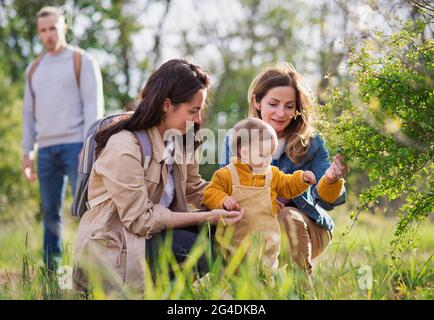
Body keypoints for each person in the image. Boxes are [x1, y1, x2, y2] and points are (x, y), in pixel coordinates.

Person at [73, 59, 244, 292]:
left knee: (224, 234)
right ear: (166, 105)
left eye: (200, 111)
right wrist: (206, 217)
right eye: (193, 111)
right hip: (121, 243)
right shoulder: (124, 145)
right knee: (199, 249)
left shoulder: (182, 138)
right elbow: (140, 220)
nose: (198, 120)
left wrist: (233, 199)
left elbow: (194, 187)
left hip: (156, 234)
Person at [221, 63, 348, 275]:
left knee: (287, 216)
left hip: (306, 227)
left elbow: (327, 200)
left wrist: (332, 180)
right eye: (274, 103)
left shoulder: (312, 142)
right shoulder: (237, 140)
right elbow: (228, 188)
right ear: (257, 101)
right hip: (254, 226)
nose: (281, 113)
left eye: (289, 106)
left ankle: (302, 290)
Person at [22, 6, 104, 272]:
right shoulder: (34, 69)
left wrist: (87, 145)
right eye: (42, 30)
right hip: (45, 149)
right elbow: (28, 113)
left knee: (87, 209)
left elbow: (94, 106)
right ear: (38, 33)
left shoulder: (82, 61)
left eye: (52, 28)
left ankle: (92, 269)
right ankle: (51, 271)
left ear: (63, 27)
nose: (47, 35)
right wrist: (28, 152)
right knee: (50, 213)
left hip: (76, 147)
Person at [204, 117, 319, 278]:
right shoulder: (227, 174)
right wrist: (222, 199)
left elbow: (287, 185)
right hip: (234, 241)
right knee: (232, 276)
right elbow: (210, 193)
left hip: (267, 242)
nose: (268, 160)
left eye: (270, 154)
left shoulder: (272, 174)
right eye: (262, 154)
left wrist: (301, 179)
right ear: (243, 152)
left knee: (265, 275)